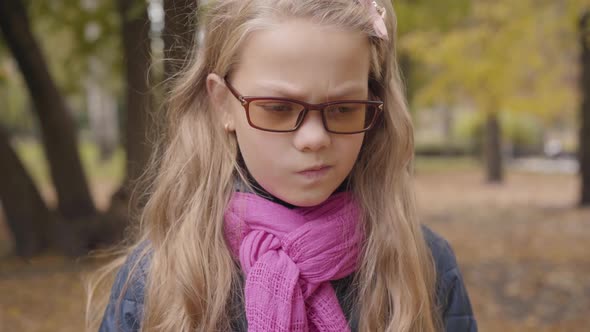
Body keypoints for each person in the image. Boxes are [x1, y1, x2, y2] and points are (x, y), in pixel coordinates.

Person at [87, 0, 477, 331]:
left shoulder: (421, 265)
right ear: (222, 103)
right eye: (278, 108)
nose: (314, 139)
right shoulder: (161, 277)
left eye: (343, 109)